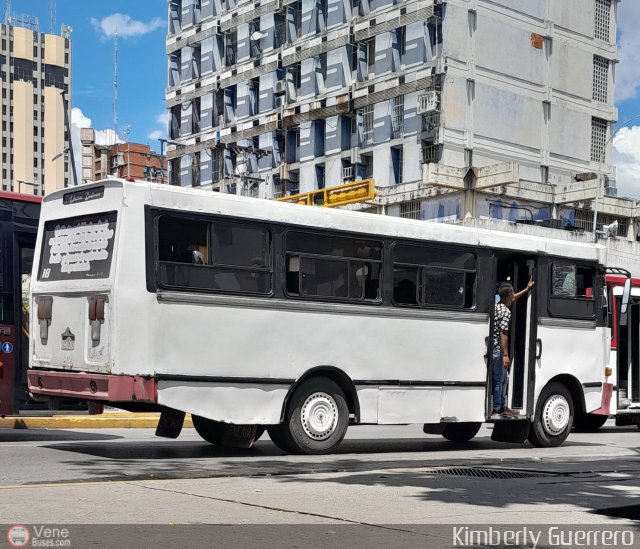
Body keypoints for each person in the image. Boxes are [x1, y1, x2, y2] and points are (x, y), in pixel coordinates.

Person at [492, 277, 534, 417]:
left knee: (503, 378)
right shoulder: (506, 312)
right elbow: (504, 334)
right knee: (500, 378)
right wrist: (505, 355)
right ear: (508, 294)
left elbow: (513, 298)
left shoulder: (497, 307)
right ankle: (499, 408)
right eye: (512, 293)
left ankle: (501, 405)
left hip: (493, 349)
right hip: (498, 349)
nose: (513, 294)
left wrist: (527, 289)